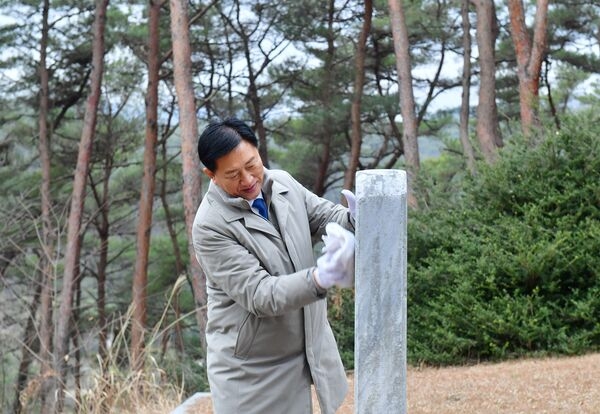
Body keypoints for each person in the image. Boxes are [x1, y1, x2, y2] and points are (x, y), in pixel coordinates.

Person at [192, 117, 356, 414]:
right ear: (211, 174)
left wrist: (355, 219)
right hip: (253, 370)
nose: (248, 180)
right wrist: (320, 278)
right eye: (233, 174)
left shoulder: (281, 183)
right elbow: (260, 294)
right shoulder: (210, 226)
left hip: (306, 347)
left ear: (257, 151)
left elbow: (324, 216)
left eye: (252, 164)